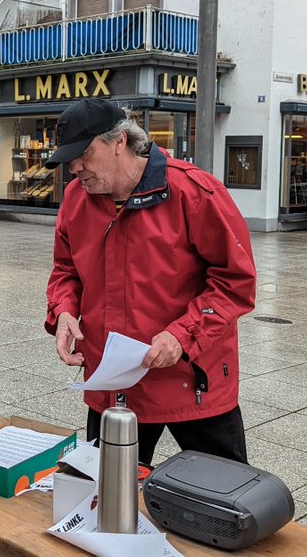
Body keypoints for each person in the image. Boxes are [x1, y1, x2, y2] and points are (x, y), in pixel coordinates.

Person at [44, 98, 257, 466]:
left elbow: (235, 281)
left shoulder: (193, 192)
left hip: (191, 379)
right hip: (113, 385)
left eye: (84, 154)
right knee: (108, 498)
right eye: (68, 159)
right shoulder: (76, 198)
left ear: (119, 142)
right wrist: (64, 311)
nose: (75, 168)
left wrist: (183, 334)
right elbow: (67, 270)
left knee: (224, 502)